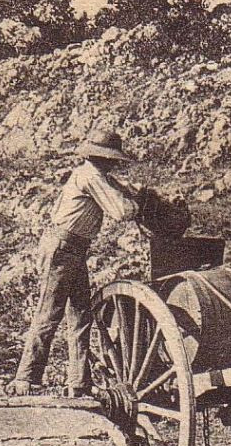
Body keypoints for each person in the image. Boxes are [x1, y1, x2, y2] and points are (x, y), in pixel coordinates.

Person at [7, 128, 140, 397]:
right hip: (62, 248)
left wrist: (129, 190)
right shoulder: (91, 176)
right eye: (112, 158)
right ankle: (26, 378)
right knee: (50, 311)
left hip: (73, 249)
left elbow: (118, 190)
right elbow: (121, 211)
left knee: (81, 315)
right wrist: (138, 203)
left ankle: (78, 382)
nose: (114, 163)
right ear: (103, 157)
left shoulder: (94, 175)